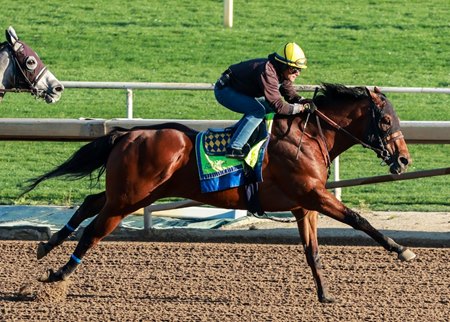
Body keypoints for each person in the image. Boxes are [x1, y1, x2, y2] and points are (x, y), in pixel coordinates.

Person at [214, 42, 314, 159]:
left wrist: (303, 101)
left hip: (240, 90)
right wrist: (301, 108)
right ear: (283, 66)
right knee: (257, 111)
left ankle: (246, 136)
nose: (297, 73)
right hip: (225, 91)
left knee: (266, 108)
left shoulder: (281, 71)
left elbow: (289, 94)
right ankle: (234, 148)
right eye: (294, 69)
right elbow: (279, 106)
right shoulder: (268, 72)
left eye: (299, 70)